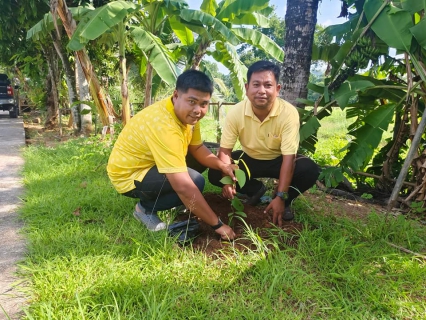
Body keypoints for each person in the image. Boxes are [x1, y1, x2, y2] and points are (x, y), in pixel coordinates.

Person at [107, 70, 237, 240]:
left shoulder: (189, 116)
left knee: (199, 163)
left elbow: (197, 148)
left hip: (152, 163)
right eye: (192, 101)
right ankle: (144, 208)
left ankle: (181, 202)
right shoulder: (163, 125)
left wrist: (222, 165)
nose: (198, 110)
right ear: (176, 95)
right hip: (129, 174)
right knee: (195, 182)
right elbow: (183, 186)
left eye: (204, 104)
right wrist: (218, 225)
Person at [208, 60, 320, 227]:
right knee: (215, 172)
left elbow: (289, 157)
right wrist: (228, 179)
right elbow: (225, 151)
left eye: (268, 85)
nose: (262, 91)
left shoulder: (288, 113)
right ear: (247, 88)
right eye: (256, 84)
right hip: (249, 159)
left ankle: (284, 201)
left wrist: (281, 195)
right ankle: (255, 190)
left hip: (278, 159)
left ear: (277, 89)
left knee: (310, 169)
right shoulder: (236, 112)